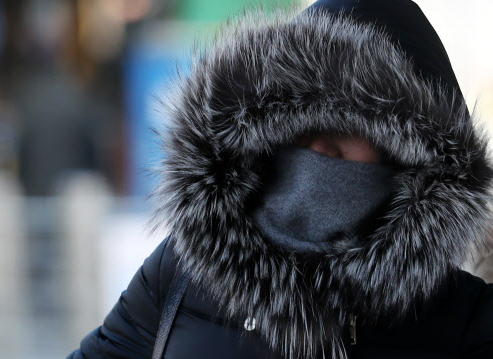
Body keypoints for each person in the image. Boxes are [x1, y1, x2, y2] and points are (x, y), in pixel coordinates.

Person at [67, 0, 493, 358]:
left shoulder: (453, 313)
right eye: (299, 117)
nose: (317, 145)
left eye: (350, 123)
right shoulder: (184, 268)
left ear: (410, 156)